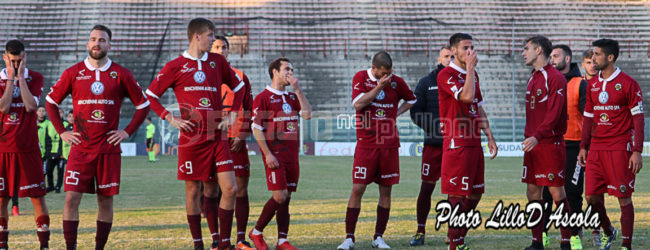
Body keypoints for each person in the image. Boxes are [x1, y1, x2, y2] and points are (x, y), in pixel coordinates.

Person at [45, 24, 150, 250]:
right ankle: (70, 247)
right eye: (93, 39)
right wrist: (62, 131)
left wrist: (127, 131)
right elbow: (51, 102)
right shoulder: (73, 73)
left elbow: (143, 105)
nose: (96, 43)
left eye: (102, 40)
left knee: (105, 200)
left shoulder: (121, 74)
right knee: (71, 199)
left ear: (109, 45)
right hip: (80, 149)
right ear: (87, 43)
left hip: (108, 150)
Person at [146, 18, 245, 250]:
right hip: (191, 138)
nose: (213, 40)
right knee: (193, 190)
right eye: (210, 35)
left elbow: (239, 87)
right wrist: (170, 118)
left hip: (218, 134)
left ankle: (223, 243)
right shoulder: (175, 66)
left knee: (230, 188)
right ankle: (198, 244)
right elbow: (150, 95)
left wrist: (232, 114)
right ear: (196, 36)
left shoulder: (218, 62)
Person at [337, 51, 416, 250]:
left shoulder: (396, 82)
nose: (387, 77)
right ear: (374, 69)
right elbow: (358, 104)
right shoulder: (361, 78)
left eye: (389, 73)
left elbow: (412, 100)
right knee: (357, 189)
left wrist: (395, 113)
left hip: (389, 144)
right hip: (367, 144)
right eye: (383, 73)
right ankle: (349, 238)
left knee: (386, 192)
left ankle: (378, 237)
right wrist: (378, 88)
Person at [578, 39, 644, 250]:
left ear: (610, 57)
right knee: (592, 197)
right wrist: (583, 146)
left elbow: (638, 119)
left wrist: (637, 151)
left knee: (623, 197)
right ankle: (609, 231)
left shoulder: (628, 83)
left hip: (619, 147)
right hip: (596, 148)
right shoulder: (592, 84)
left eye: (597, 54)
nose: (593, 58)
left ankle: (626, 245)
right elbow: (588, 117)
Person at [437, 33, 497, 250]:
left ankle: (458, 236)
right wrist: (470, 69)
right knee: (456, 195)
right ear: (453, 51)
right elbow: (466, 98)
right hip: (457, 142)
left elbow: (477, 106)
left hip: (474, 141)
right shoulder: (446, 74)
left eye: (472, 47)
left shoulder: (474, 75)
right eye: (465, 48)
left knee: (476, 192)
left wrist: (489, 136)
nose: (470, 52)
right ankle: (455, 244)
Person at [248, 57, 312, 250]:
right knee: (280, 196)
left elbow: (308, 114)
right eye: (286, 69)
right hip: (274, 155)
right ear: (275, 72)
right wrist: (267, 154)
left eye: (291, 69)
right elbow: (257, 128)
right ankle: (256, 232)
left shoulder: (292, 97)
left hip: (292, 155)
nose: (290, 73)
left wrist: (298, 89)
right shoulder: (263, 98)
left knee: (287, 197)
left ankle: (282, 241)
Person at [520, 36, 573, 250]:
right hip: (533, 144)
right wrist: (531, 137)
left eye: (526, 49)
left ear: (539, 50)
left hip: (549, 143)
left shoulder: (556, 78)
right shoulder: (533, 77)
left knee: (557, 193)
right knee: (532, 192)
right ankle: (537, 242)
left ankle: (566, 241)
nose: (523, 53)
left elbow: (554, 114)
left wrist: (537, 136)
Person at [0, 39, 51, 249]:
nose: (15, 64)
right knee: (2, 200)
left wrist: (20, 77)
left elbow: (30, 106)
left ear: (25, 57)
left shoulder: (35, 77)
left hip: (28, 148)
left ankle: (44, 245)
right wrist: (11, 78)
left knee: (37, 198)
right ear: (5, 57)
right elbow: (3, 108)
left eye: (19, 61)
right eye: (12, 61)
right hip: (3, 149)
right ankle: (3, 245)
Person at [211, 35, 255, 250]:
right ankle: (215, 239)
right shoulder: (200, 76)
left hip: (235, 140)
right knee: (209, 191)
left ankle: (240, 239)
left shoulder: (240, 76)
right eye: (216, 47)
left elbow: (249, 107)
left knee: (240, 190)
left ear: (229, 51)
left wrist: (243, 134)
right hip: (211, 141)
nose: (221, 50)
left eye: (224, 47)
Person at [408, 46, 452, 246]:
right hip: (433, 146)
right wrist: (435, 129)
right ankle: (420, 231)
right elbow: (415, 111)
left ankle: (453, 232)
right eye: (446, 56)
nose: (449, 59)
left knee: (455, 191)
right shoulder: (426, 83)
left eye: (452, 56)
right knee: (426, 188)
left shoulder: (460, 81)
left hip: (454, 146)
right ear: (439, 58)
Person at [545, 44, 588, 249]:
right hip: (551, 144)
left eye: (556, 55)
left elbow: (589, 118)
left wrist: (585, 147)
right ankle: (542, 233)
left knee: (572, 192)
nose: (552, 59)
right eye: (551, 56)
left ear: (568, 58)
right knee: (545, 191)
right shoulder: (548, 81)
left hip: (574, 146)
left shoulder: (580, 84)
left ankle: (574, 234)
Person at [45, 108, 65, 193]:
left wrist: (64, 153)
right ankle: (51, 186)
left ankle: (58, 187)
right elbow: (46, 139)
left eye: (60, 112)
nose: (58, 114)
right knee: (49, 170)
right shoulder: (49, 124)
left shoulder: (65, 124)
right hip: (51, 153)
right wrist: (47, 152)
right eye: (57, 112)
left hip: (61, 154)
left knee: (60, 172)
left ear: (63, 114)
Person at [59, 111, 74, 193]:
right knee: (62, 172)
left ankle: (73, 188)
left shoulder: (79, 128)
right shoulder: (64, 128)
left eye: (73, 116)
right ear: (67, 118)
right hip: (64, 155)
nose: (71, 118)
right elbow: (60, 141)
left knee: (73, 172)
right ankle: (60, 187)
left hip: (75, 156)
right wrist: (60, 153)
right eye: (70, 116)